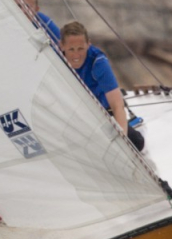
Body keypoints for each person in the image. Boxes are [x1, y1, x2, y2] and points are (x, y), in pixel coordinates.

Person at [59, 21, 145, 151]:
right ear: (61, 46)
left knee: (137, 142)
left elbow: (117, 105)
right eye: (71, 49)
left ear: (88, 44)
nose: (76, 55)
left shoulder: (97, 62)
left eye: (81, 48)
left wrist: (122, 140)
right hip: (72, 115)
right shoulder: (54, 58)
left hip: (102, 113)